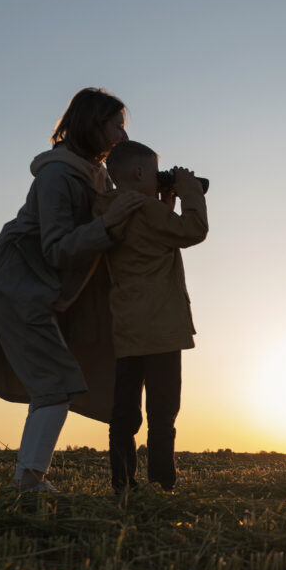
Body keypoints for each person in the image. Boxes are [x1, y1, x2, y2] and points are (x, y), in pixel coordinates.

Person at [0, 88, 146, 492]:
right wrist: (108, 221)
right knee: (57, 380)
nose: (122, 136)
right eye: (116, 126)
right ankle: (29, 481)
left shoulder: (96, 175)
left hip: (45, 291)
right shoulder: (56, 176)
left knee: (56, 380)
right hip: (19, 287)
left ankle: (28, 478)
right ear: (91, 124)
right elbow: (57, 247)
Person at [93, 140, 208, 494]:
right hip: (161, 330)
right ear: (141, 172)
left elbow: (151, 241)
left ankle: (122, 482)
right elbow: (193, 230)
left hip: (127, 329)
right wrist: (189, 190)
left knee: (124, 413)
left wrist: (164, 202)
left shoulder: (107, 208)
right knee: (162, 413)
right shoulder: (145, 208)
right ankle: (161, 481)